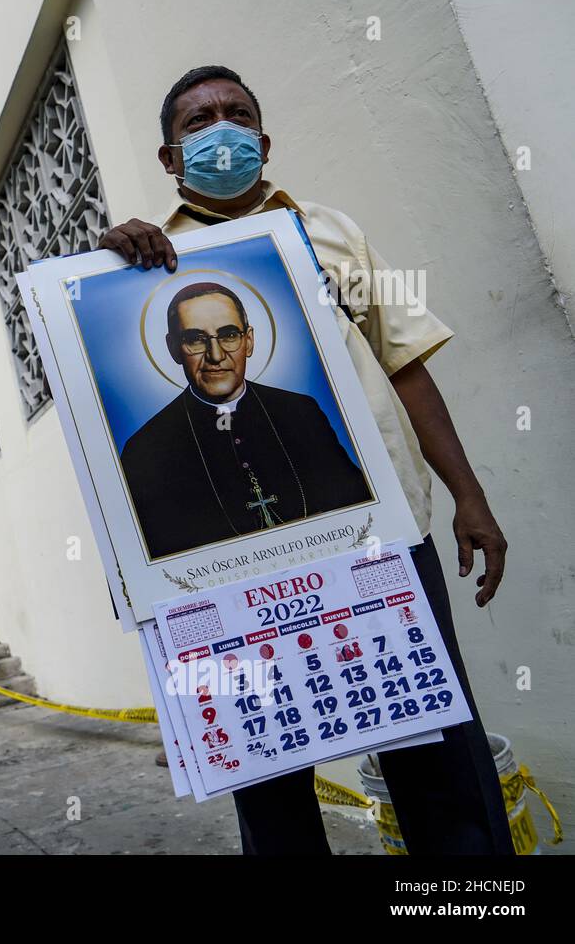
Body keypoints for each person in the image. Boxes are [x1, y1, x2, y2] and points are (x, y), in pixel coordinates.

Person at [99, 65, 512, 855]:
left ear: (263, 137)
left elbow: (405, 364)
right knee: (269, 771)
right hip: (231, 577)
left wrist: (470, 495)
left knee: (434, 740)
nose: (220, 130)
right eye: (198, 121)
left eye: (236, 114)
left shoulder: (330, 230)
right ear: (169, 156)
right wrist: (105, 269)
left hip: (382, 537)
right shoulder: (142, 264)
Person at [121, 280, 372, 557]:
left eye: (229, 335)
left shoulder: (301, 411)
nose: (215, 356)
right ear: (173, 349)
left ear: (248, 341)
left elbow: (358, 506)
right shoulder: (145, 449)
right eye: (195, 339)